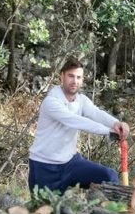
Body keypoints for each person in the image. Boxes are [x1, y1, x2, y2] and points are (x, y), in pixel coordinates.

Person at [28, 57, 129, 192]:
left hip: (71, 163)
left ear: (82, 80)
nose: (74, 81)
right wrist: (108, 131)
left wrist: (116, 123)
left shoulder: (81, 100)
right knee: (45, 211)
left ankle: (105, 211)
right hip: (45, 167)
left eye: (78, 77)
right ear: (62, 76)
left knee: (109, 176)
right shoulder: (51, 102)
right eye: (70, 76)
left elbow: (95, 113)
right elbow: (76, 121)